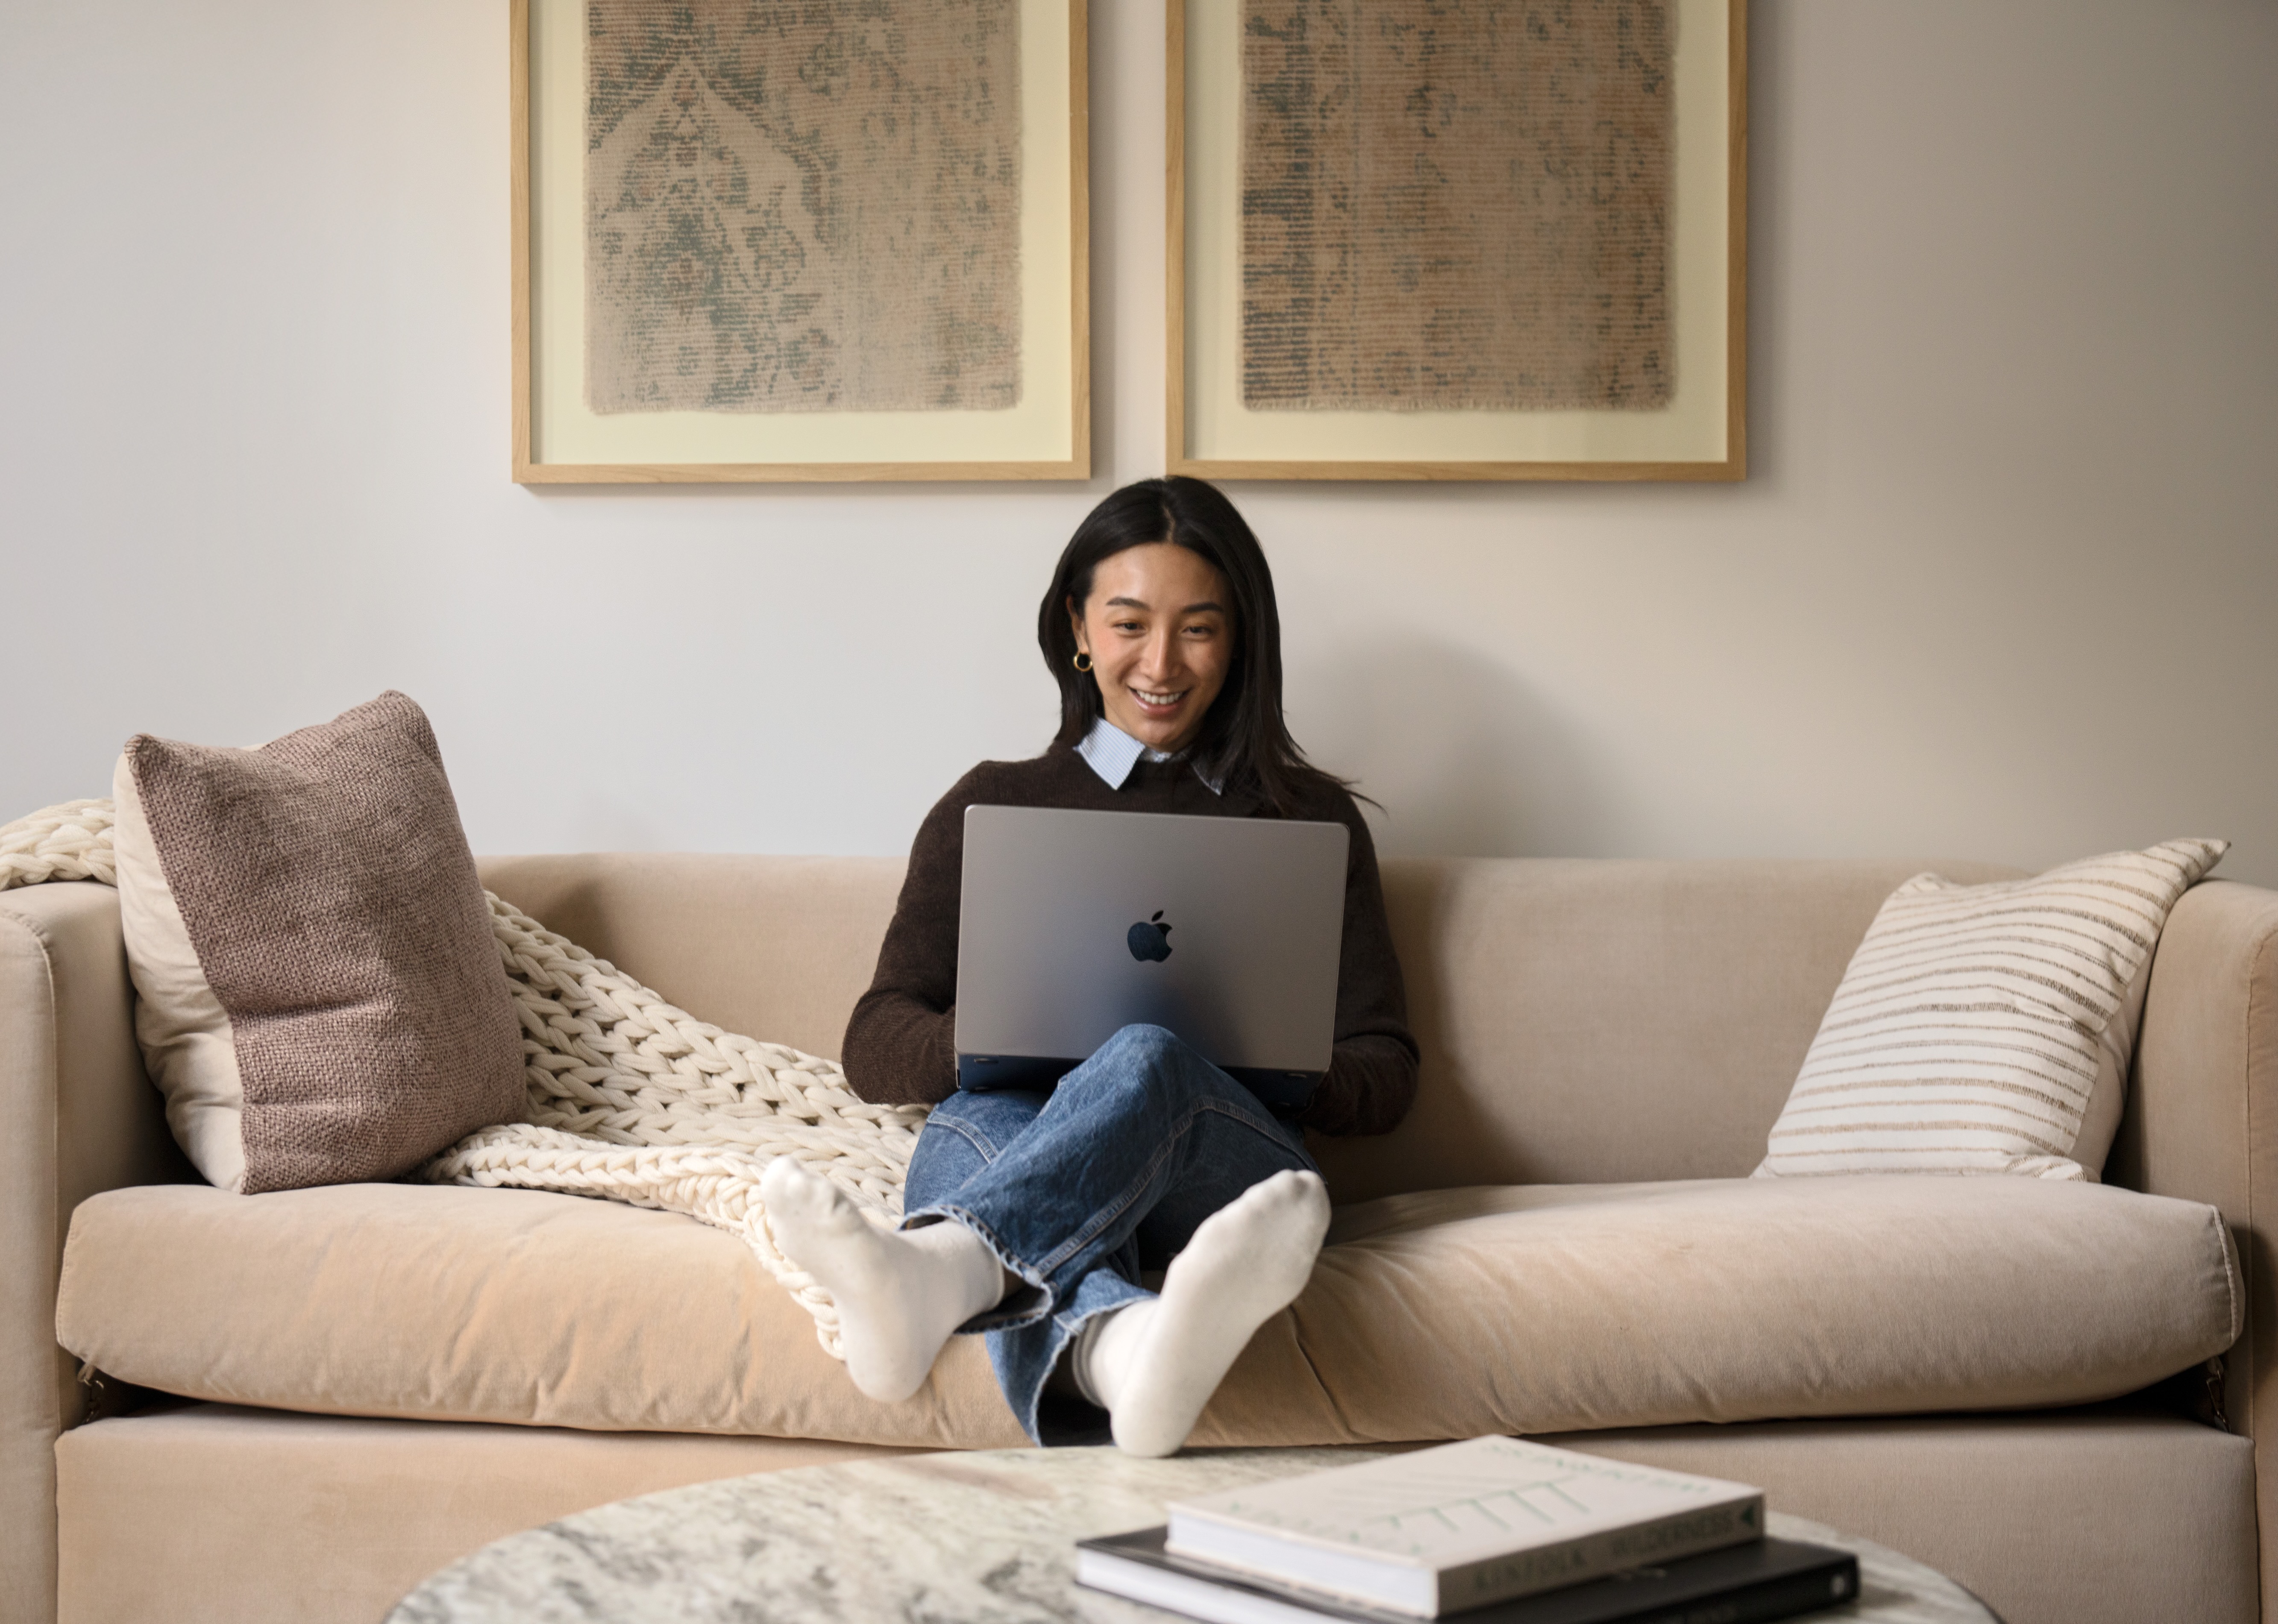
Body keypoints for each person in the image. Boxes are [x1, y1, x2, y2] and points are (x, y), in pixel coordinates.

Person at [761, 476, 1418, 1456]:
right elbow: (873, 1042)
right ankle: (1127, 1347)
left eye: (1198, 627)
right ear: (1077, 626)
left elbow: (1388, 1067)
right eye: (1127, 623)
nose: (1160, 662)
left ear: (1239, 641)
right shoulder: (992, 806)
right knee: (980, 1115)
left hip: (1228, 1177)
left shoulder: (1308, 820)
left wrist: (1270, 1054)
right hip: (1018, 1134)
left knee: (1147, 1054)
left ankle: (937, 1270)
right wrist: (996, 1026)